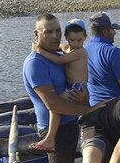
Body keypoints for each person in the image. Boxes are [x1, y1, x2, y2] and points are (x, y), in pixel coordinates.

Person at [23, 13, 102, 163]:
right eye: (48, 32)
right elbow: (53, 104)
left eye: (58, 31)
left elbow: (79, 90)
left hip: (70, 124)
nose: (54, 36)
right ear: (36, 34)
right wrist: (88, 110)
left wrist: (84, 100)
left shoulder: (60, 54)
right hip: (55, 131)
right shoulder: (36, 63)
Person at [31, 19, 89, 152]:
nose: (75, 44)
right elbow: (55, 48)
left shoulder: (80, 52)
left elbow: (59, 60)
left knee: (55, 105)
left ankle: (51, 137)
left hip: (78, 86)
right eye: (72, 40)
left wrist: (39, 50)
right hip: (70, 85)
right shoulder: (65, 47)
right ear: (67, 37)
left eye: (79, 40)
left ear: (85, 38)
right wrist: (40, 45)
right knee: (55, 106)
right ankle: (51, 137)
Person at [85, 12, 120, 105]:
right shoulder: (113, 51)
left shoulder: (83, 50)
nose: (115, 33)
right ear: (105, 32)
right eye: (113, 29)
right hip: (114, 106)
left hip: (93, 106)